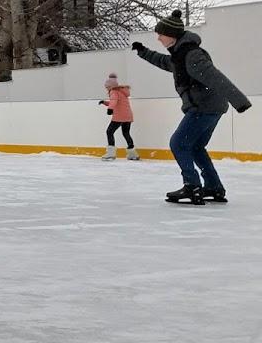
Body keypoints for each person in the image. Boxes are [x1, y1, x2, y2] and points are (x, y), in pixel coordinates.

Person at [132, 10, 251, 204]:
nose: (159, 38)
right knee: (195, 147)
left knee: (178, 143)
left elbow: (215, 77)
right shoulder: (180, 54)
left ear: (171, 35)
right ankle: (213, 187)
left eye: (161, 34)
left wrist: (240, 101)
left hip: (203, 107)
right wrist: (143, 52)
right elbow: (165, 62)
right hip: (211, 107)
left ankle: (192, 186)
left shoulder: (191, 55)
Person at [98, 72, 138, 161]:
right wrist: (105, 103)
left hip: (119, 116)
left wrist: (110, 109)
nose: (106, 89)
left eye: (107, 87)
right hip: (128, 116)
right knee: (126, 133)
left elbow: (114, 101)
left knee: (109, 132)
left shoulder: (113, 91)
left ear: (111, 86)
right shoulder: (122, 92)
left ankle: (111, 154)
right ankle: (132, 154)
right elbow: (115, 102)